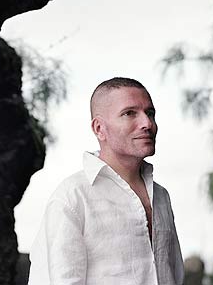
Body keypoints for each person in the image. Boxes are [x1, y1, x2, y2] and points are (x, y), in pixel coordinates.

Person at [28, 77, 184, 285]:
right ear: (99, 128)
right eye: (129, 113)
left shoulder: (161, 196)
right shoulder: (73, 197)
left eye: (150, 113)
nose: (147, 124)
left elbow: (175, 275)